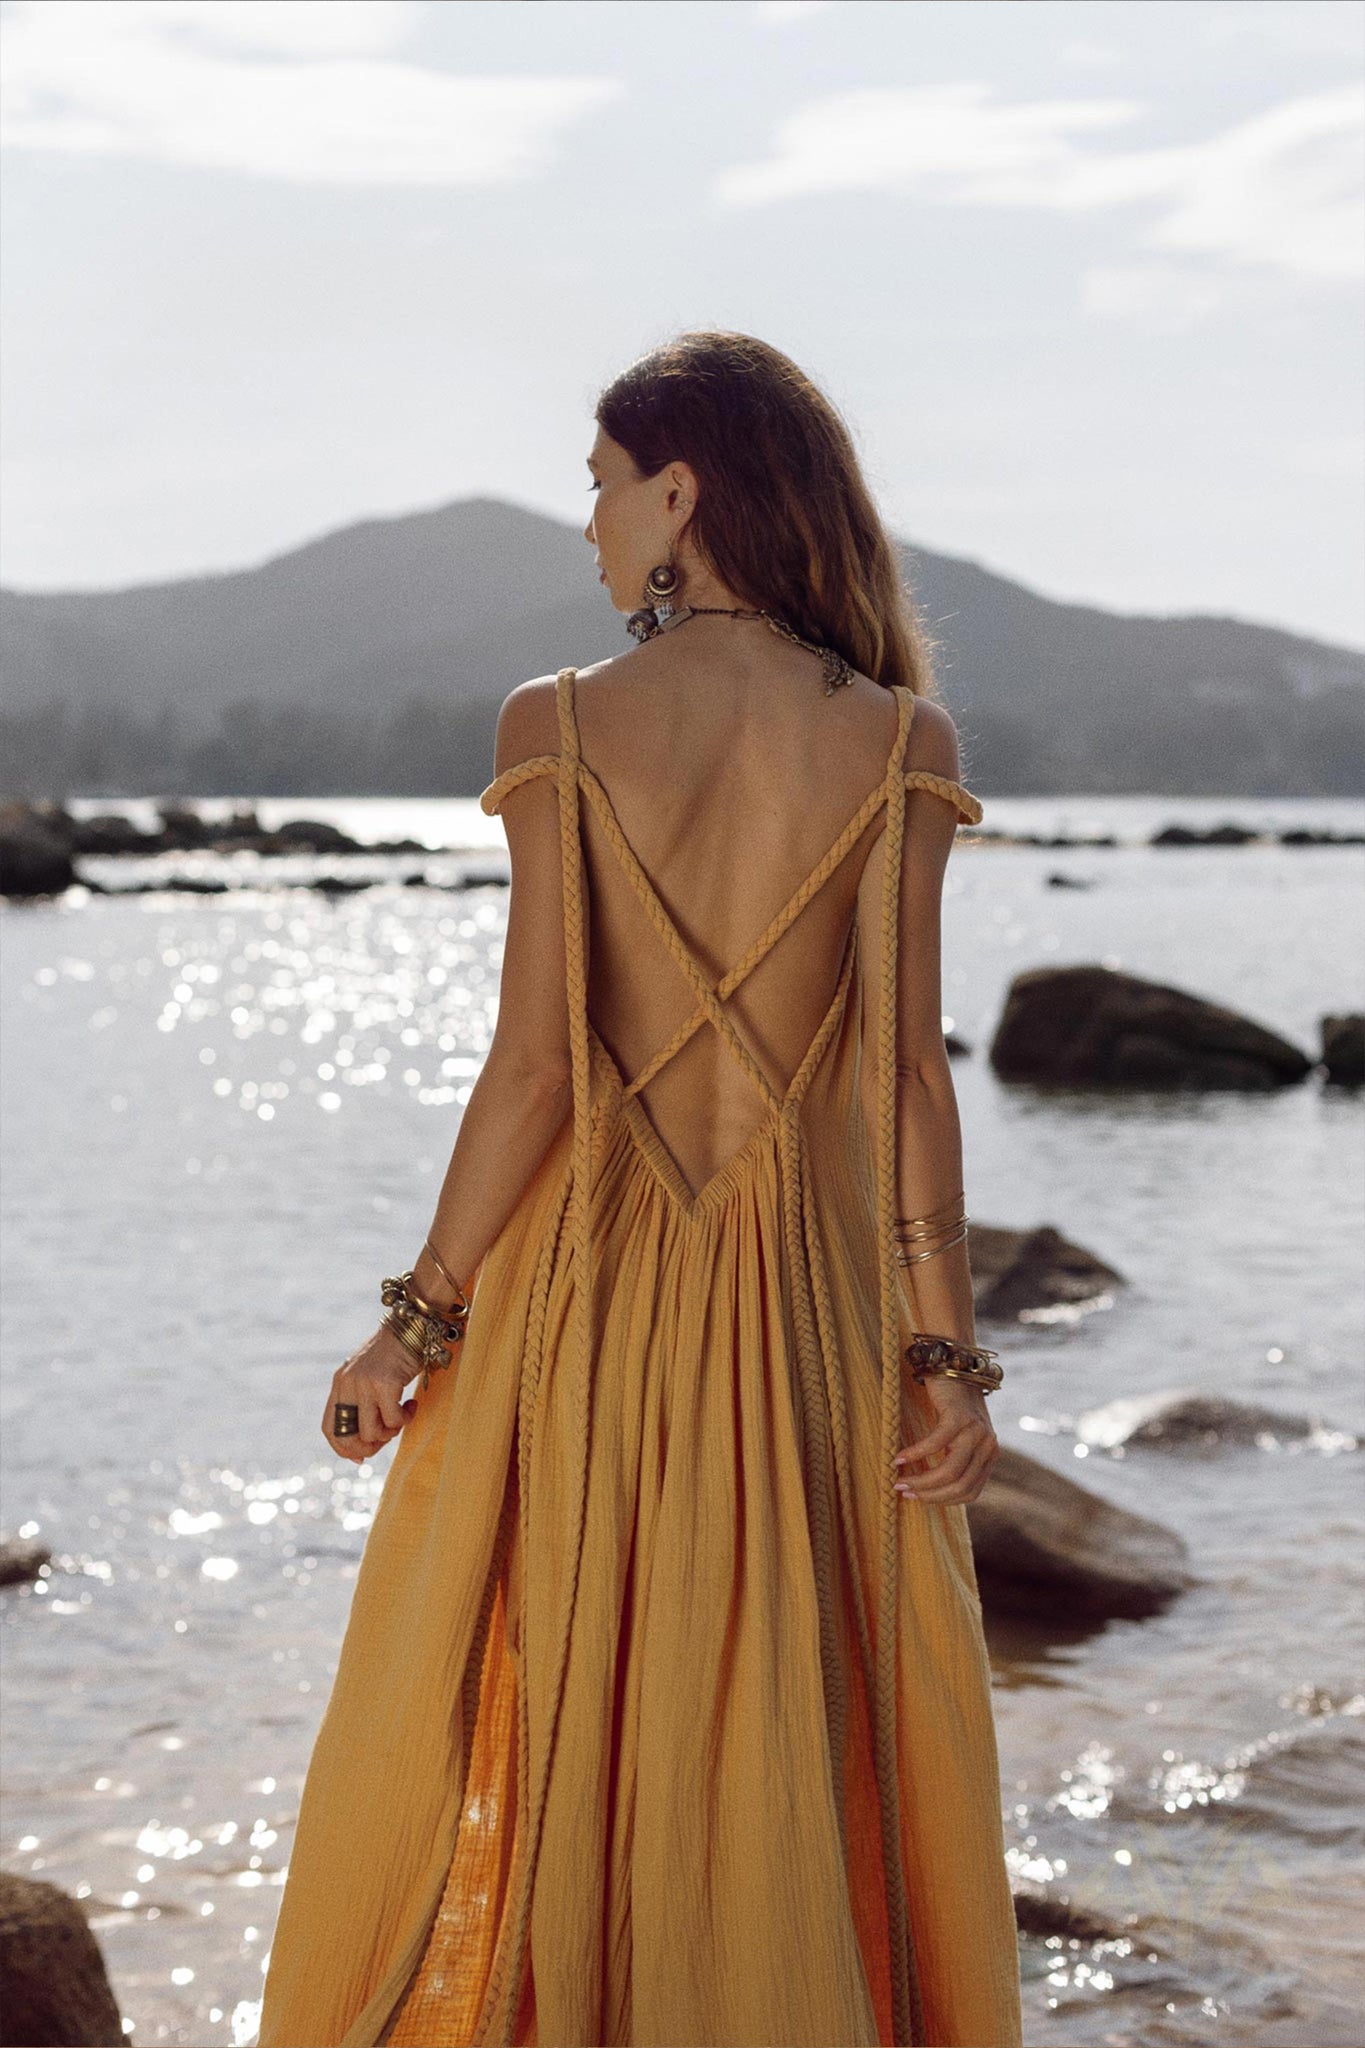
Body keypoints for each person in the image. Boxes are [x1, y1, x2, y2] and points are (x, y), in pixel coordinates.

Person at [254, 330, 1023, 2048]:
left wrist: (412, 1323)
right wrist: (941, 1359)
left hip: (580, 1309)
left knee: (552, 1731)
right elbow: (907, 1075)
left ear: (681, 493)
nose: (590, 526)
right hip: (807, 1323)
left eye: (601, 486)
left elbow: (534, 1067)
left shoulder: (561, 724)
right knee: (792, 1748)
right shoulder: (900, 738)